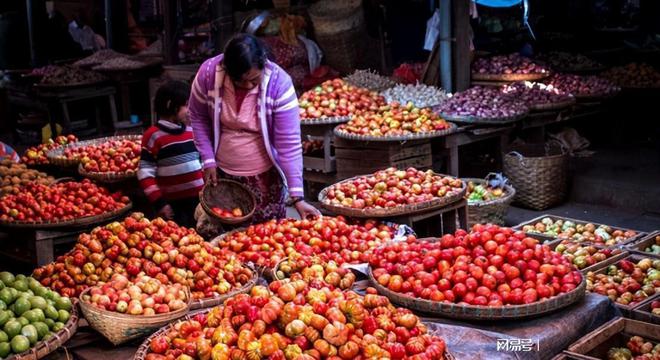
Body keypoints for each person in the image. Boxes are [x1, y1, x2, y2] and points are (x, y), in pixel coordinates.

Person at [189, 33, 319, 223]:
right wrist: (208, 159)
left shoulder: (279, 84)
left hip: (265, 179)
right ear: (227, 70)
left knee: (266, 236)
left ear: (263, 64)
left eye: (254, 80)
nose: (248, 85)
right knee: (227, 240)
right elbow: (198, 116)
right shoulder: (209, 73)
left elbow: (288, 145)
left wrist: (297, 196)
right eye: (239, 81)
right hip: (223, 176)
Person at [137, 81, 204, 227]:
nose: (190, 109)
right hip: (173, 205)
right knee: (178, 239)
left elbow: (201, 162)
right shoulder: (153, 136)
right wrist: (160, 203)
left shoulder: (191, 131)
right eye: (186, 105)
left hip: (198, 201)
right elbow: (145, 173)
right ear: (170, 105)